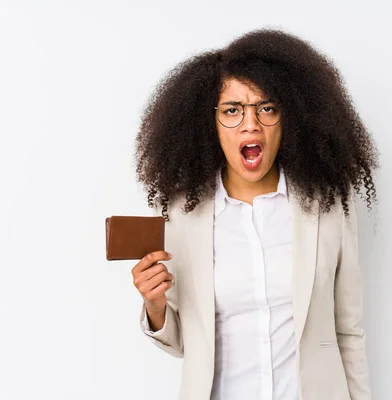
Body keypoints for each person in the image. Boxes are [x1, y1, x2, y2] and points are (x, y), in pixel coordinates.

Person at [131, 28, 378, 400]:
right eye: (232, 110)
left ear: (288, 117)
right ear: (209, 124)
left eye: (266, 108)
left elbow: (348, 330)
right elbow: (184, 344)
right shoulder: (182, 214)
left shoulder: (328, 205)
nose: (251, 124)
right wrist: (154, 305)